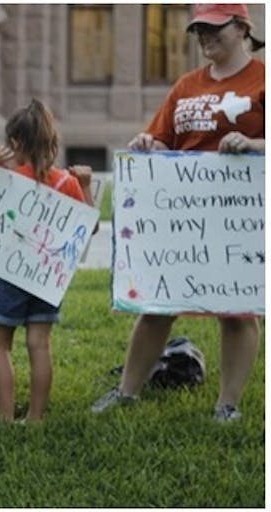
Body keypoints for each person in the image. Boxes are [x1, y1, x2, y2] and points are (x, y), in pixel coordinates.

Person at [91, 3, 264, 422]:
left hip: (237, 216)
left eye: (214, 28)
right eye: (198, 30)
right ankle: (128, 392)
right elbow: (162, 139)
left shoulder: (263, 80)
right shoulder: (186, 85)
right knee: (157, 301)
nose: (205, 37)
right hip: (181, 217)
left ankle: (227, 405)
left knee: (236, 310)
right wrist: (148, 145)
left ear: (242, 28)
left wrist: (254, 145)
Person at [0, 99, 97, 424]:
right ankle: (34, 418)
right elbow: (89, 227)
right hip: (49, 276)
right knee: (39, 344)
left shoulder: (8, 176)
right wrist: (85, 188)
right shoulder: (67, 182)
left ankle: (4, 417)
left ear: (14, 143)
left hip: (13, 271)